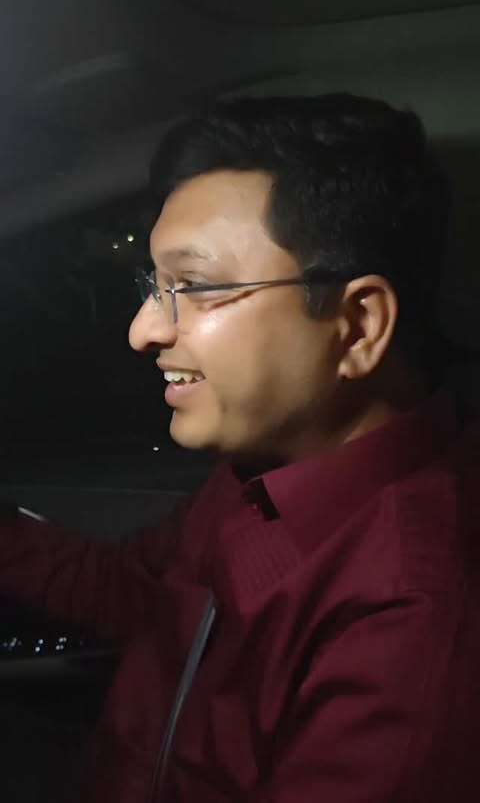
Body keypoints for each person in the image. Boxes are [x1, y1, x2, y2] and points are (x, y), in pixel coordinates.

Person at [0, 93, 479, 803]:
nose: (143, 330)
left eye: (194, 287)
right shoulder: (259, 473)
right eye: (155, 287)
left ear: (357, 325)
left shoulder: (414, 608)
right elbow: (130, 590)